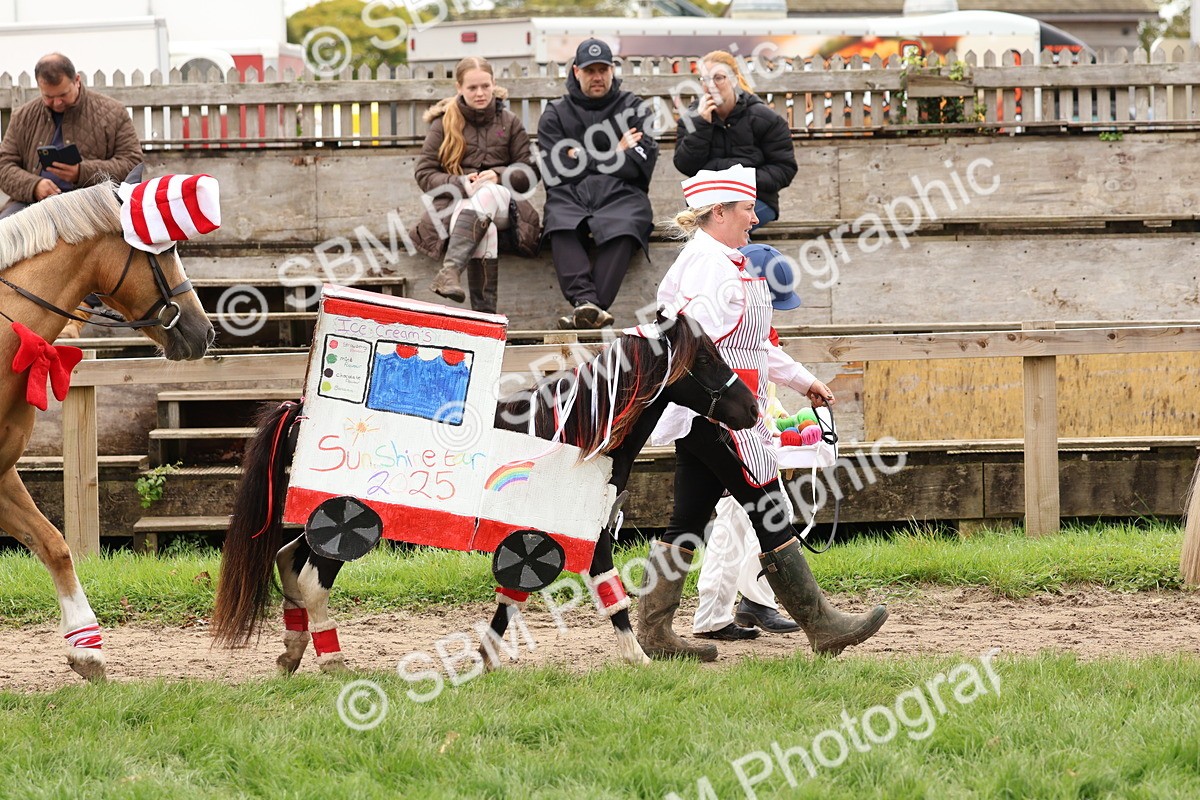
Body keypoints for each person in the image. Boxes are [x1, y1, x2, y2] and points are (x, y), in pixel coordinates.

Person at [636, 164, 888, 662]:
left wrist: (803, 380)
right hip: (725, 415)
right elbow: (699, 350)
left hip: (715, 413)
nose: (755, 218)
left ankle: (654, 632)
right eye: (748, 209)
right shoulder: (711, 266)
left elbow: (750, 346)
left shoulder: (717, 260)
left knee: (686, 519)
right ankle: (822, 624)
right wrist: (728, 406)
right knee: (770, 511)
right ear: (720, 212)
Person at [693, 244, 807, 642]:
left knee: (748, 516)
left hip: (741, 429)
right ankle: (724, 609)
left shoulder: (751, 330)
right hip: (729, 431)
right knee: (740, 518)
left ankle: (747, 602)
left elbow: (764, 373)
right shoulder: (729, 329)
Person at [0, 52, 144, 337]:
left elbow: (132, 162)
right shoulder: (24, 115)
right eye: (48, 96)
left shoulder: (112, 112)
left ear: (77, 81)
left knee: (100, 245)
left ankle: (73, 318)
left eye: (62, 94)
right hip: (34, 204)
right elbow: (4, 165)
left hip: (92, 210)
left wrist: (81, 172)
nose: (56, 102)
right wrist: (34, 186)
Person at [537, 38, 658, 329]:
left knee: (629, 223)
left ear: (612, 71)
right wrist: (614, 154)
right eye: (590, 70)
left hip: (622, 196)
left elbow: (639, 163)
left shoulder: (634, 107)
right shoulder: (555, 113)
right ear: (576, 71)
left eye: (603, 69)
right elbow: (556, 169)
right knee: (558, 221)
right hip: (571, 195)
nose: (597, 77)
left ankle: (586, 308)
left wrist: (582, 156)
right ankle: (589, 306)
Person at [412, 57, 540, 315]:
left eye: (485, 86)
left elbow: (529, 172)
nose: (480, 93)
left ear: (494, 84)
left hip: (506, 206)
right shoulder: (443, 123)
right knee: (487, 231)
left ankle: (450, 270)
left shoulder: (509, 121)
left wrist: (499, 174)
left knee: (489, 191)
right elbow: (424, 173)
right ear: (459, 87)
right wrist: (460, 183)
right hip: (458, 206)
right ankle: (485, 317)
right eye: (472, 88)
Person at [673, 51, 797, 230]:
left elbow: (784, 169)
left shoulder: (765, 118)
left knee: (727, 226)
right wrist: (701, 126)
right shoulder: (693, 119)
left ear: (734, 79)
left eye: (718, 78)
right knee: (700, 230)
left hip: (755, 199)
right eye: (705, 79)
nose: (711, 86)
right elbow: (686, 165)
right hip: (708, 201)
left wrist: (740, 182)